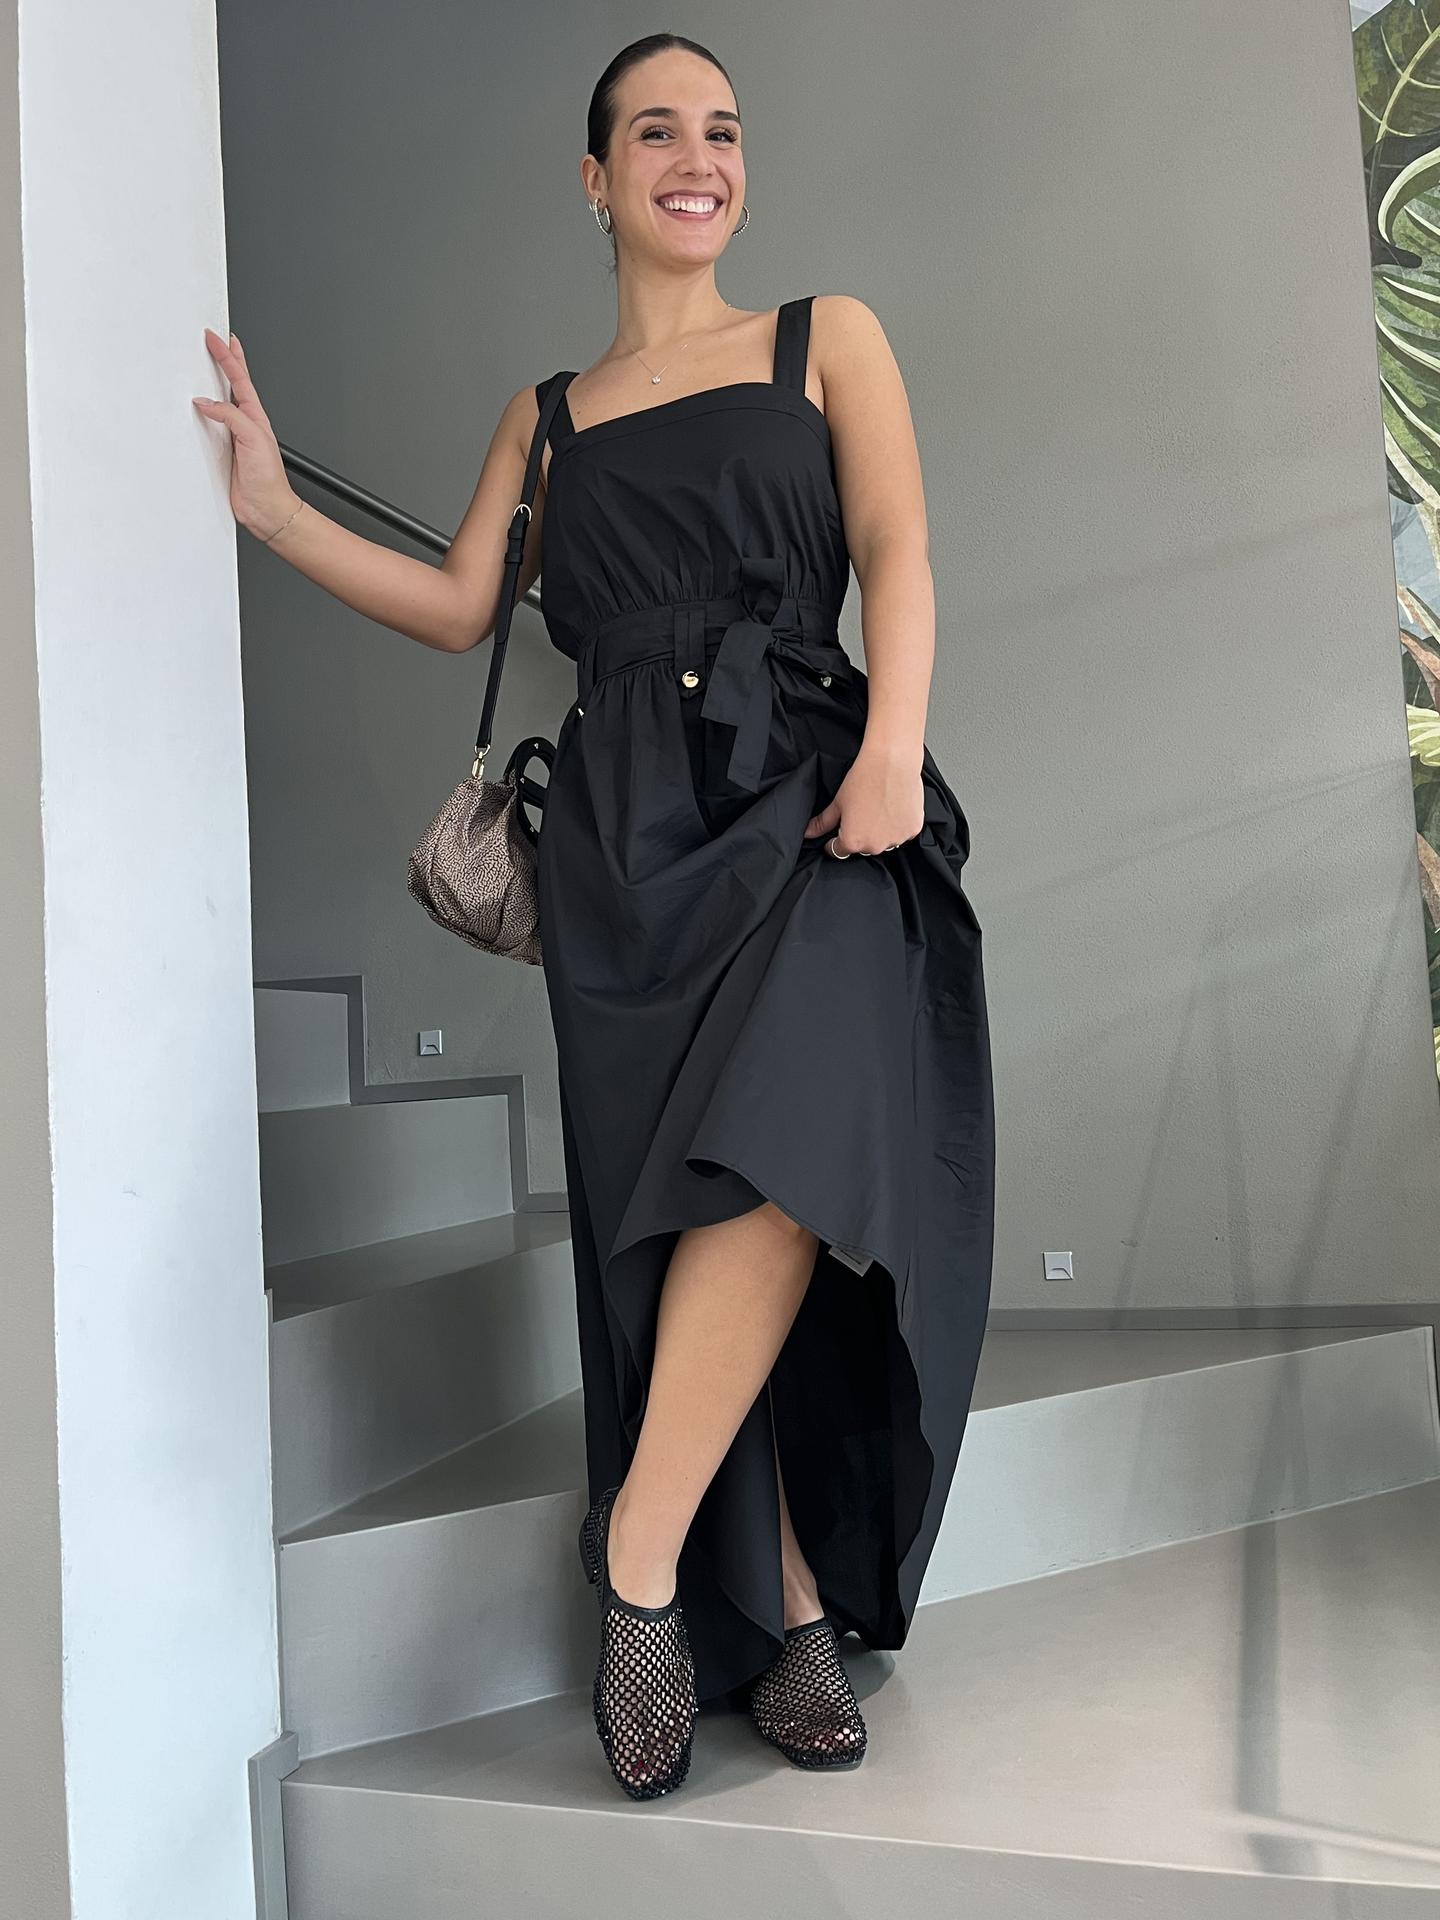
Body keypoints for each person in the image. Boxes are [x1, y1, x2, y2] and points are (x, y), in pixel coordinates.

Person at [193, 31, 995, 1806]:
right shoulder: (543, 417)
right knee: (674, 1215)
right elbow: (459, 602)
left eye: (722, 131)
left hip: (810, 786)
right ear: (596, 179)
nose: (696, 158)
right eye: (656, 132)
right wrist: (272, 511)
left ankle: (638, 1564)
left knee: (796, 1147)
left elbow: (900, 547)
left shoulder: (826, 338)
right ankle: (784, 1604)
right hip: (625, 847)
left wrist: (897, 742)